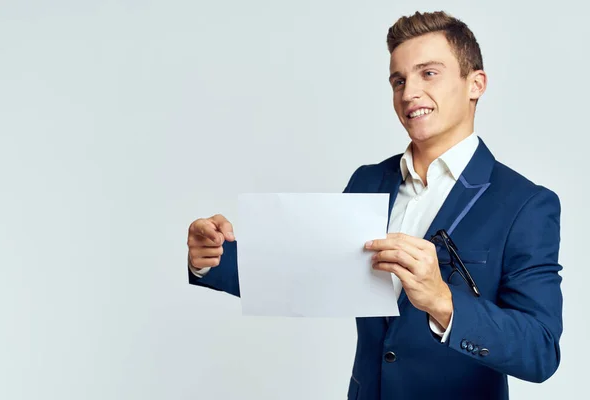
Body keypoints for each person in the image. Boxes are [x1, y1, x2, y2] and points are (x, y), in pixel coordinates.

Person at [186, 10, 563, 400]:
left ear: (476, 84)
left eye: (428, 73)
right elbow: (304, 271)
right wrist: (209, 258)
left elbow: (540, 351)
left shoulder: (525, 204)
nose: (409, 92)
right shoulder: (369, 182)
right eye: (398, 80)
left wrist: (443, 302)